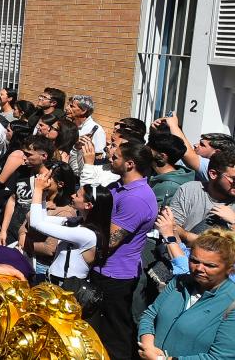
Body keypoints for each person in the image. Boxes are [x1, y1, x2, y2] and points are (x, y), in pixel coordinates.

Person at [88, 140, 158, 360]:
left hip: (115, 276)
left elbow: (110, 241)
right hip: (102, 269)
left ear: (130, 164)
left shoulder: (136, 198)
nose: (110, 158)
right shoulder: (118, 186)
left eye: (115, 157)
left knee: (113, 334)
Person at [138, 228, 235, 360]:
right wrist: (148, 346)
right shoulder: (179, 281)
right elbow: (150, 314)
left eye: (210, 265)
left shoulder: (232, 304)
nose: (199, 268)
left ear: (230, 268)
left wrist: (161, 359)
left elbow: (221, 357)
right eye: (194, 261)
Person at [27, 169, 113, 286]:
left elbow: (36, 223)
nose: (72, 196)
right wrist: (43, 193)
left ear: (88, 205)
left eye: (77, 195)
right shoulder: (78, 222)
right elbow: (42, 219)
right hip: (55, 283)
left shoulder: (87, 234)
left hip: (66, 288)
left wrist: (37, 189)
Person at [167, 150, 235, 245]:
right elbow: (171, 228)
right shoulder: (190, 190)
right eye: (234, 179)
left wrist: (234, 221)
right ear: (213, 174)